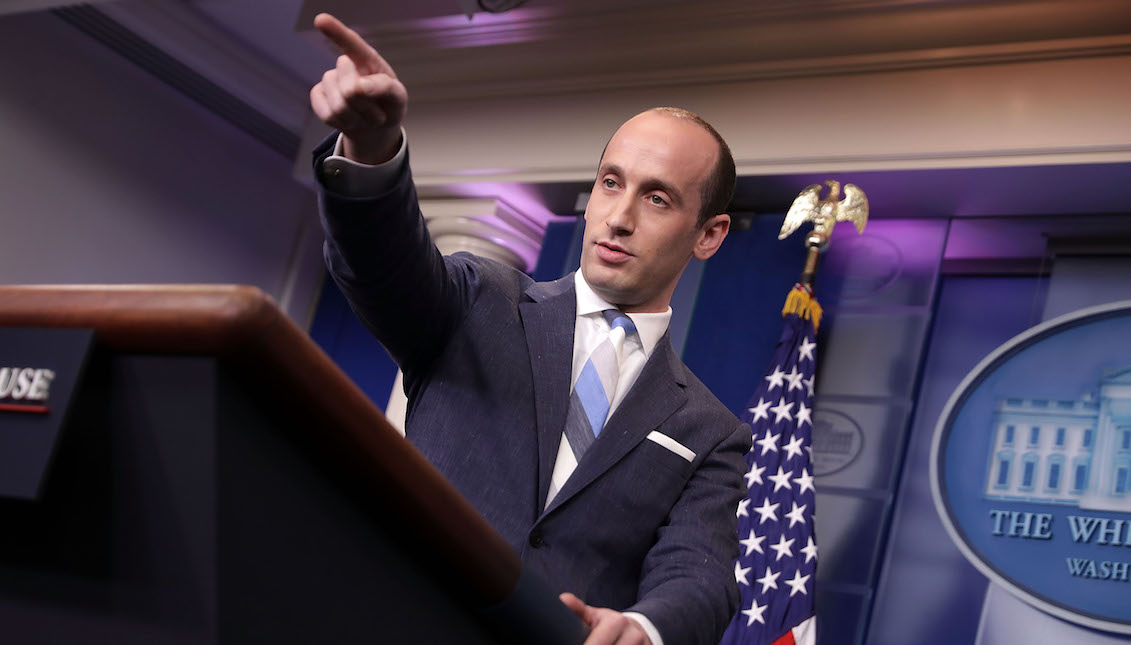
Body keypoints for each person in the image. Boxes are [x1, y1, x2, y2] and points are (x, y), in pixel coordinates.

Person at [309, 13, 750, 645]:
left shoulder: (709, 432)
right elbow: (382, 268)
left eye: (657, 199)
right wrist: (373, 152)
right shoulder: (480, 299)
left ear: (708, 234)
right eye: (610, 183)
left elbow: (701, 576)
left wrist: (644, 629)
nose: (619, 217)